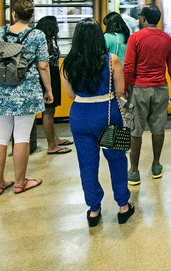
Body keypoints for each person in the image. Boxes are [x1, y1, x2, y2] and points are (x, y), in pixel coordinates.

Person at [61, 18, 134, 226]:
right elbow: (119, 91)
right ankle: (122, 205)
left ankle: (94, 209)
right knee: (117, 160)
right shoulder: (112, 61)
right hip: (107, 113)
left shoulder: (68, 63)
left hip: (79, 115)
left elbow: (71, 95)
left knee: (87, 164)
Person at [0, 0, 52, 196]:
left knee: (0, 137)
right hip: (26, 91)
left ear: (13, 14)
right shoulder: (37, 35)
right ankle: (20, 182)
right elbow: (43, 65)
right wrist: (48, 90)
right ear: (31, 17)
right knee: (21, 137)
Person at [122, 4, 171, 185]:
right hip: (161, 89)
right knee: (158, 128)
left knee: (135, 130)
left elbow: (129, 68)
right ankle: (156, 165)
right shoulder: (167, 39)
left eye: (140, 15)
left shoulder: (135, 38)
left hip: (138, 89)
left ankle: (134, 171)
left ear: (144, 18)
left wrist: (122, 91)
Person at [34, 16, 73, 155]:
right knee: (48, 112)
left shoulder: (48, 40)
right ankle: (51, 145)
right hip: (48, 79)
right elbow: (44, 65)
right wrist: (48, 88)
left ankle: (55, 139)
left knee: (51, 111)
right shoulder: (46, 42)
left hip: (52, 77)